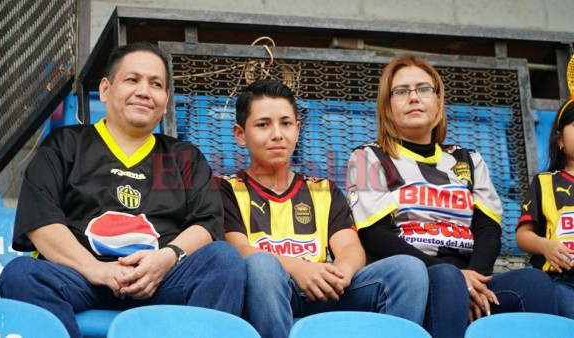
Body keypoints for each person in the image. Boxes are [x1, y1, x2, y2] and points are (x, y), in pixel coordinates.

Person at [0, 42, 246, 337]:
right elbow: (41, 220)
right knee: (21, 275)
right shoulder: (65, 145)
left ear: (166, 100)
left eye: (156, 84)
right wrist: (95, 269)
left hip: (163, 278)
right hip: (81, 276)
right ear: (106, 89)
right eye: (132, 80)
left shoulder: (184, 157)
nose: (144, 91)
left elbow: (207, 223)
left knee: (224, 261)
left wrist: (166, 258)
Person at [346, 55, 558, 338]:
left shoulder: (468, 159)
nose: (413, 98)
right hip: (417, 278)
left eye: (423, 89)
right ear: (387, 106)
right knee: (446, 278)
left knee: (534, 282)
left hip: (469, 274)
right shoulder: (367, 157)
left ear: (438, 100)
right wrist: (456, 279)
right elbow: (375, 235)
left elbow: (488, 228)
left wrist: (474, 281)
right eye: (401, 91)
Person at [217, 79, 429, 338]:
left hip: (324, 288)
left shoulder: (323, 189)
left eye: (285, 124)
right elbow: (239, 250)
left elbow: (350, 247)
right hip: (270, 291)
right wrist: (299, 268)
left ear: (297, 129)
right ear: (240, 134)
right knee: (262, 266)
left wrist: (341, 273)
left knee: (409, 269)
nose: (277, 134)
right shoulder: (225, 188)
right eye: (263, 125)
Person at [516, 96, 574, 319]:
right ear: (559, 140)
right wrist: (545, 246)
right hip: (561, 281)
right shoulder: (545, 182)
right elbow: (523, 236)